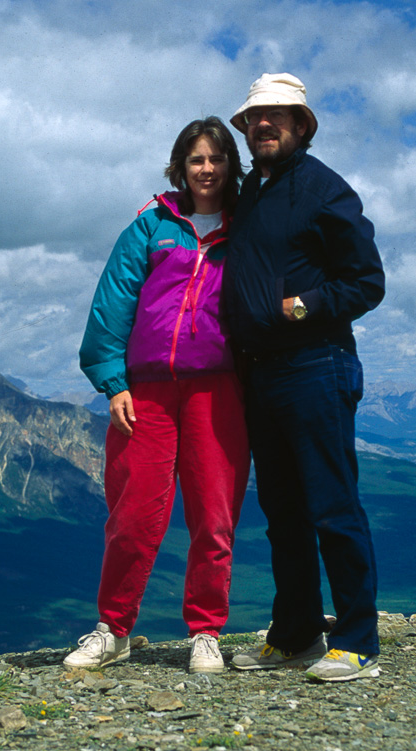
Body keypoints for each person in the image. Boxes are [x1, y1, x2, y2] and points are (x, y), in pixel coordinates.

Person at [68, 117, 251, 675]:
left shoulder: (247, 226)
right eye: (196, 159)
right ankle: (114, 629)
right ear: (180, 165)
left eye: (217, 159)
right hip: (144, 391)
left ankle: (205, 632)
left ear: (230, 166)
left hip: (219, 391)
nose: (207, 169)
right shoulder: (152, 224)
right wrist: (113, 380)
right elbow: (114, 300)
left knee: (214, 518)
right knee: (133, 515)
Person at [222, 73, 386, 682]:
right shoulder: (254, 194)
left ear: (301, 126)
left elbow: (367, 281)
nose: (262, 126)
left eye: (276, 117)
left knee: (332, 506)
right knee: (283, 511)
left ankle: (358, 643)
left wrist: (304, 305)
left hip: (316, 363)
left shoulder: (325, 190)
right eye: (253, 119)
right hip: (262, 373)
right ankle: (295, 635)